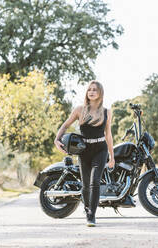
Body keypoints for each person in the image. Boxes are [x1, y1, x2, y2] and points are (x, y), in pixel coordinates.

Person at [54, 80, 115, 227]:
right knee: (86, 184)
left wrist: (112, 157)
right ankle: (87, 208)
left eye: (95, 90)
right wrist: (57, 139)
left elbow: (108, 135)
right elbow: (65, 125)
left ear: (100, 93)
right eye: (89, 90)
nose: (91, 92)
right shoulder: (80, 110)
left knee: (95, 182)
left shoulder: (107, 112)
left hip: (100, 150)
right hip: (84, 150)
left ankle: (91, 215)